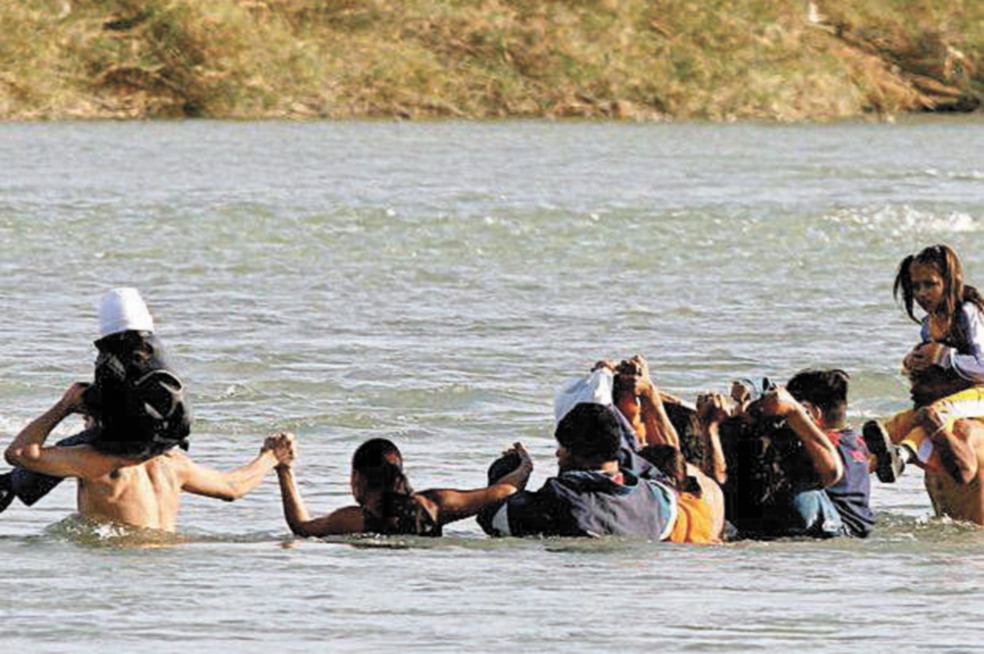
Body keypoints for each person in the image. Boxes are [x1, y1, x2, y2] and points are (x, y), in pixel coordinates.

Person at [2, 288, 282, 533]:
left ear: (96, 418)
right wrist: (271, 457)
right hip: (165, 569)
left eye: (84, 417)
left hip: (118, 566)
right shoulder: (173, 464)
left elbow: (19, 453)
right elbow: (233, 488)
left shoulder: (93, 463)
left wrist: (63, 406)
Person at [865, 244, 984, 481]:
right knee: (902, 421)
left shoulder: (967, 313)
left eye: (930, 284)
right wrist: (912, 363)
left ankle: (904, 454)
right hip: (951, 397)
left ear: (949, 281)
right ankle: (853, 470)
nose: (921, 293)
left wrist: (943, 356)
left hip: (978, 397)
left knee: (933, 414)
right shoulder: (928, 325)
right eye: (915, 286)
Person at [709, 369, 874, 539]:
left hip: (834, 527)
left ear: (810, 412)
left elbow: (831, 471)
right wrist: (753, 389)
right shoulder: (855, 442)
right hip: (857, 528)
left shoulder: (825, 448)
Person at [479, 402, 678, 540]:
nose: (558, 454)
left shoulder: (560, 497)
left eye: (563, 447)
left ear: (577, 453)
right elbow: (661, 479)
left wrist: (514, 472)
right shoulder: (657, 502)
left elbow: (493, 518)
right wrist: (615, 453)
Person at [269, 434, 533, 537]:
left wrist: (284, 470)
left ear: (357, 480)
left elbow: (301, 528)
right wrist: (523, 466)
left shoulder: (354, 520)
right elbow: (504, 491)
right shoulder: (433, 505)